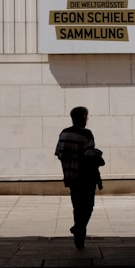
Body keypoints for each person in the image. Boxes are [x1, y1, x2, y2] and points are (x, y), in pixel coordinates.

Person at [55, 106, 104, 248]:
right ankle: (79, 228)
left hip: (70, 176)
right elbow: (89, 155)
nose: (87, 119)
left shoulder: (64, 133)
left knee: (77, 206)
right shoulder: (86, 134)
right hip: (85, 177)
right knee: (88, 206)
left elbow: (59, 153)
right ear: (83, 117)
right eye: (86, 116)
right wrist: (98, 153)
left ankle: (79, 236)